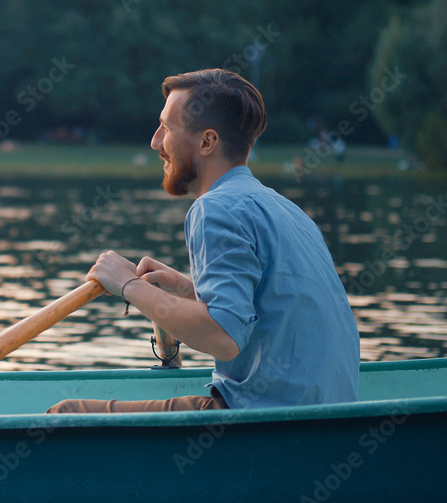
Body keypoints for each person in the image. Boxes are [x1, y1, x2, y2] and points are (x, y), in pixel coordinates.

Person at [48, 69, 359, 413]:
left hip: (265, 422)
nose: (154, 142)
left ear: (207, 142)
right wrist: (190, 292)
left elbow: (223, 338)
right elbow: (263, 314)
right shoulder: (286, 209)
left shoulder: (215, 208)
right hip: (328, 418)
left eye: (166, 128)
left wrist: (127, 285)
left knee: (65, 416)